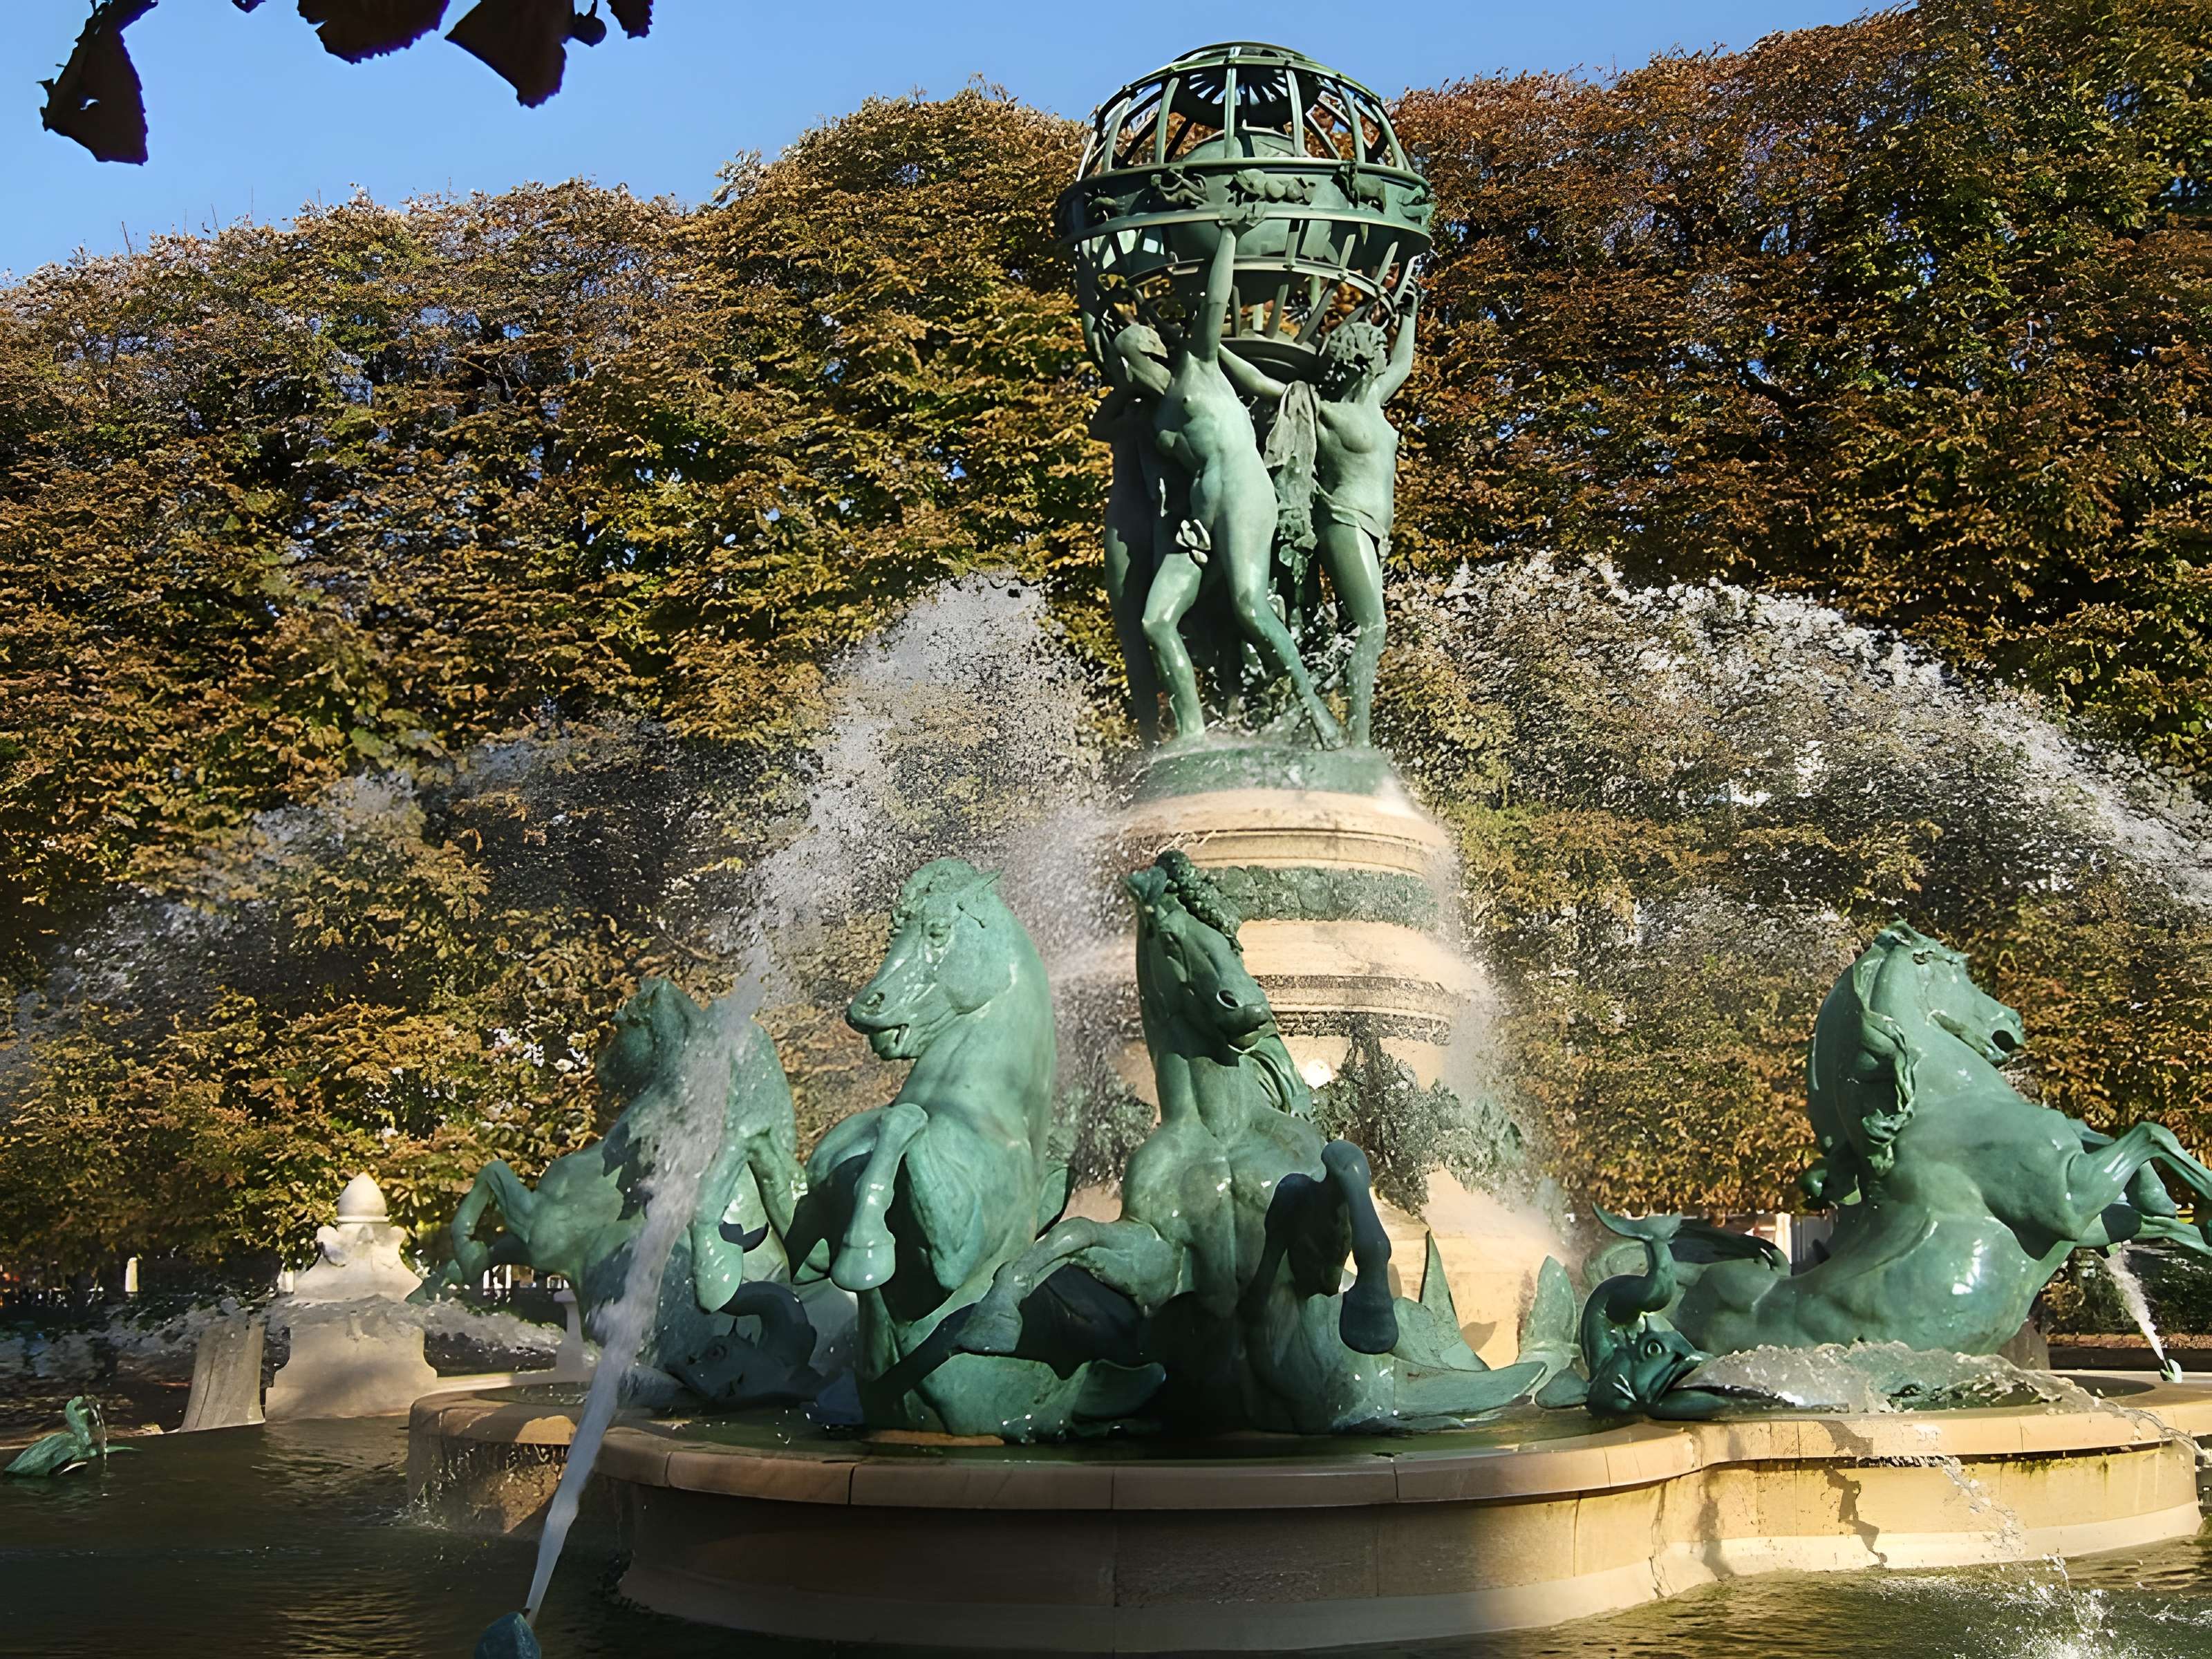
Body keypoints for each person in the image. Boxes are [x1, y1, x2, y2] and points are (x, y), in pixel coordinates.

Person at [1139, 226, 1343, 748]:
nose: (1129, 367)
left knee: (1251, 607)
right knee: (1155, 621)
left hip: (1244, 494)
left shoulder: (1199, 368)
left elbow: (1213, 299)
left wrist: (1228, 236)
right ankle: (1191, 734)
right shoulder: (1157, 413)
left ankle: (1316, 710)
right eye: (1124, 362)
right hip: (1200, 518)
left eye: (1133, 356)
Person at [1220, 289, 1417, 747]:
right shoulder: (1319, 406)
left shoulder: (1375, 401)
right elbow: (1257, 382)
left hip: (1377, 531)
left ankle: (1286, 722)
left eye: (1350, 361)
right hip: (1343, 523)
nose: (1341, 369)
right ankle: (1359, 741)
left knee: (1351, 639)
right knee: (1374, 628)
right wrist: (1212, 348)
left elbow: (1404, 364)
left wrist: (1409, 315)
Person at [1087, 316, 1175, 743]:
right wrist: (1126, 386)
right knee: (1133, 633)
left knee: (1164, 625)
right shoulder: (1137, 412)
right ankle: (1149, 739)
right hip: (1128, 523)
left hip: (1164, 523)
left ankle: (1198, 722)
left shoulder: (1177, 404)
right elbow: (1097, 428)